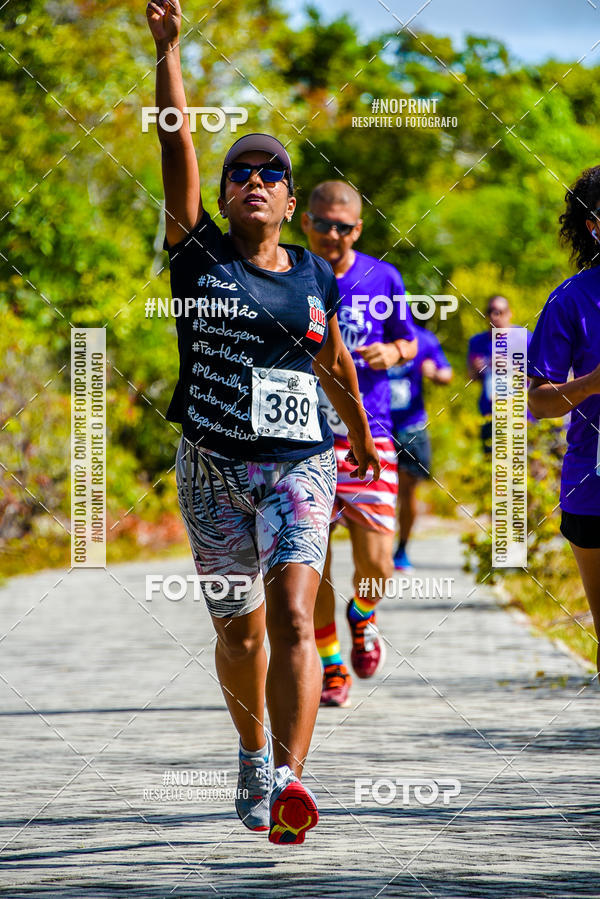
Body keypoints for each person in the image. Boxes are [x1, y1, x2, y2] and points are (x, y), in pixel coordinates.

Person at [147, 0, 380, 844]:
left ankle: (290, 779)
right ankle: (250, 750)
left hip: (298, 466)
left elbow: (336, 362)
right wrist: (169, 52)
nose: (253, 179)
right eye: (240, 169)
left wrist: (354, 431)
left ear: (289, 201)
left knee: (291, 615)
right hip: (210, 467)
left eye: (270, 172)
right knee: (237, 632)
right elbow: (176, 145)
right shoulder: (194, 253)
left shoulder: (316, 275)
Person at [301, 181, 417, 708]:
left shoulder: (382, 275)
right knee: (314, 564)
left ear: (359, 228)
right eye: (323, 223)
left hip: (370, 434)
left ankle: (364, 615)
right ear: (305, 221)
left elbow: (411, 340)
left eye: (343, 226)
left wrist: (392, 353)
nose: (332, 234)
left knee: (378, 563)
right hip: (303, 441)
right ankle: (331, 667)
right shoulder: (288, 271)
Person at [528, 165, 600, 672]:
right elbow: (539, 400)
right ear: (595, 224)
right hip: (593, 482)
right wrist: (593, 382)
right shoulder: (571, 300)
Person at [389, 324, 453, 570]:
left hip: (411, 429)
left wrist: (434, 374)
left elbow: (446, 373)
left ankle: (401, 548)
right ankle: (376, 547)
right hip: (377, 425)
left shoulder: (424, 340)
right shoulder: (375, 333)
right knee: (377, 491)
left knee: (407, 492)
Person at [467, 295, 512, 454]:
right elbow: (471, 377)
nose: (494, 316)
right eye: (490, 312)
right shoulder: (477, 342)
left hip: (521, 416)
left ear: (509, 313)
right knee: (494, 469)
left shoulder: (525, 338)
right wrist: (476, 369)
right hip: (489, 415)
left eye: (499, 312)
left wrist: (510, 366)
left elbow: (540, 376)